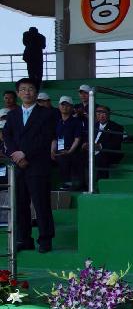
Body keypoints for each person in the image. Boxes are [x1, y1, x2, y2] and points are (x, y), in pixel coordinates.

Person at [3, 78, 55, 252]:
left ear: (36, 92)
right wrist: (16, 155)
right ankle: (24, 239)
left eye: (30, 89)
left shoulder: (46, 114)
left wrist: (24, 153)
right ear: (18, 93)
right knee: (20, 203)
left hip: (38, 165)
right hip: (18, 165)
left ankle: (45, 239)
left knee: (41, 204)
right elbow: (7, 136)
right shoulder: (12, 115)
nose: (27, 92)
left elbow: (46, 138)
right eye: (23, 89)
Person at [82, 105, 125, 180]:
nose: (101, 116)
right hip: (92, 151)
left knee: (100, 156)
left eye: (103, 113)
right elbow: (87, 140)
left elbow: (116, 144)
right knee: (78, 156)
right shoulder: (93, 126)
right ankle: (82, 184)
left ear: (108, 114)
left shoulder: (116, 127)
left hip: (107, 152)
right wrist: (85, 144)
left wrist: (100, 146)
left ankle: (100, 183)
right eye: (98, 113)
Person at [51, 96, 85, 190]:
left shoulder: (77, 122)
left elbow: (77, 139)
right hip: (60, 150)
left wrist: (70, 151)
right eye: (62, 105)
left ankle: (68, 184)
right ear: (59, 106)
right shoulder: (57, 122)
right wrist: (52, 150)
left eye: (67, 105)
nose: (64, 107)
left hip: (74, 151)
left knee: (65, 157)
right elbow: (54, 139)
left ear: (71, 107)